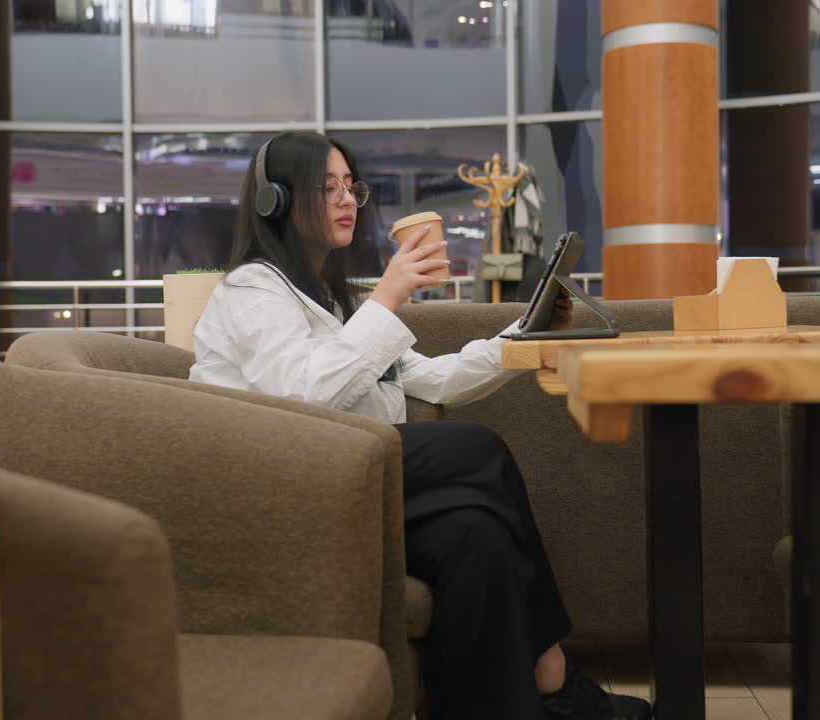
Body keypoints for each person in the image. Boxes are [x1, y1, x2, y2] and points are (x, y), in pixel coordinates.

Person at [189, 131, 651, 720]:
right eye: (324, 187)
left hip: (354, 480)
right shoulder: (251, 290)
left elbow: (434, 378)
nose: (346, 200)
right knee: (479, 449)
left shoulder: (334, 304)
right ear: (274, 202)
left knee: (475, 533)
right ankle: (554, 681)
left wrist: (524, 336)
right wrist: (389, 295)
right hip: (283, 488)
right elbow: (301, 399)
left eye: (349, 186)